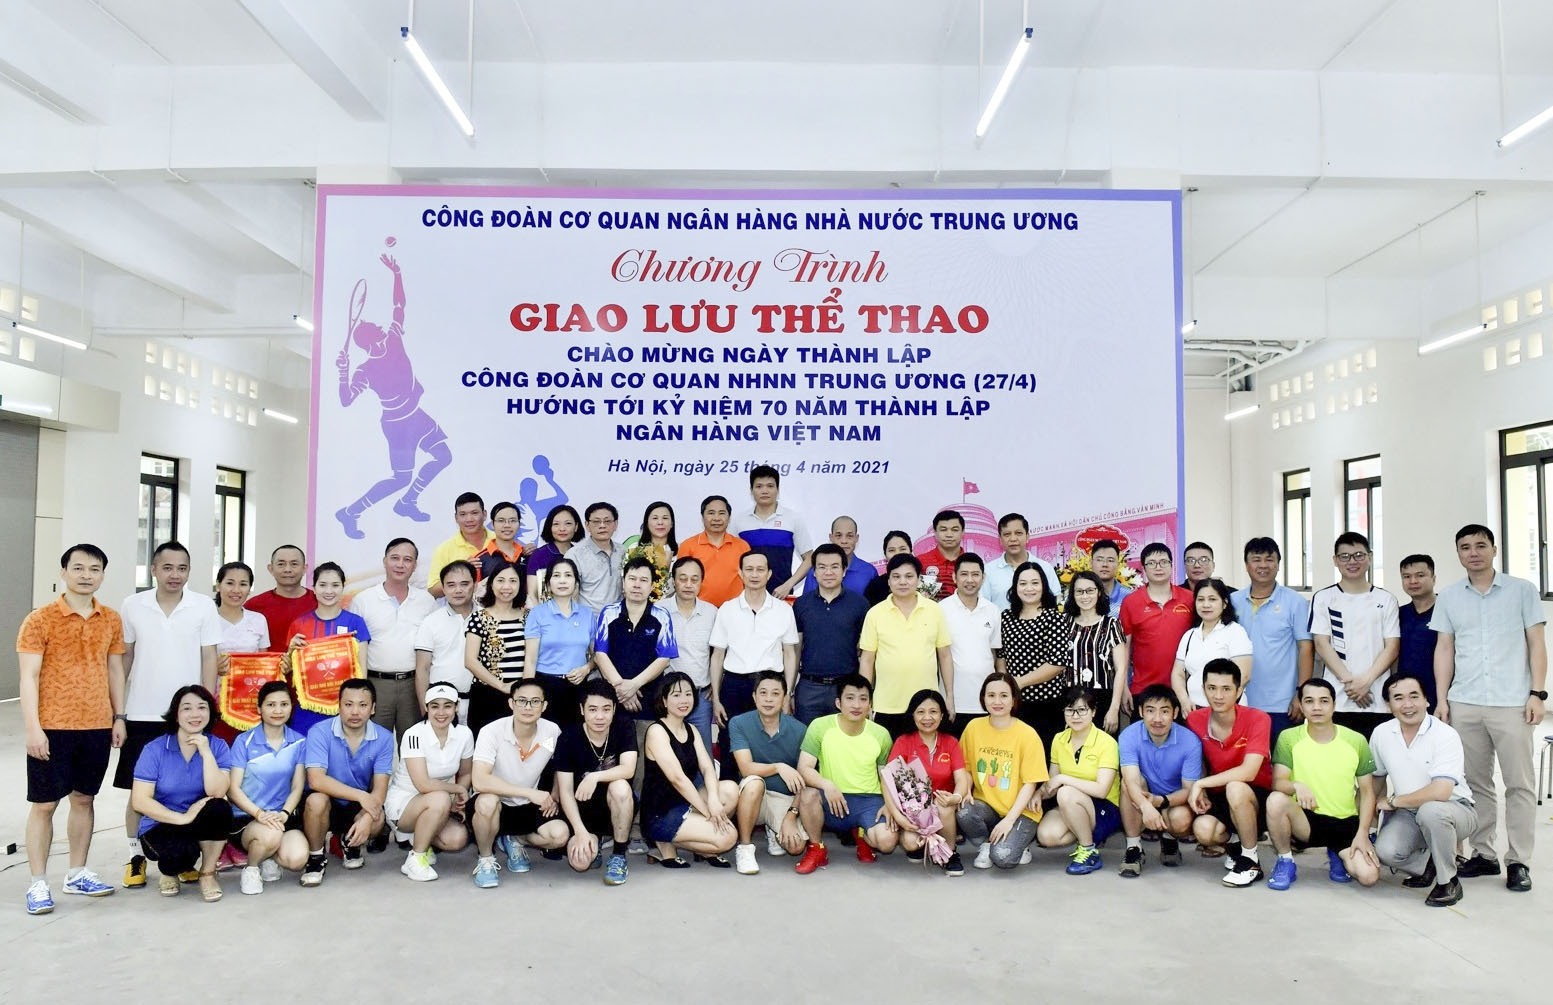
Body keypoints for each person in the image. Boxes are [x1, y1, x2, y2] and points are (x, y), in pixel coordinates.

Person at [1432, 523, 1547, 893]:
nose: (1473, 553)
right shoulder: (1450, 597)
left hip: (1512, 702)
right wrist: (1442, 699)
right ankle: (1483, 852)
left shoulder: (1522, 591)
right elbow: (1445, 649)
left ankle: (1519, 860)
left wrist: (1537, 693)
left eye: (1480, 545)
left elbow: (1537, 644)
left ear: (1494, 549)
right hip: (1465, 701)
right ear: (1458, 554)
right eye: (1465, 547)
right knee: (1475, 783)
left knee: (1519, 785)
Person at [18, 544, 125, 914]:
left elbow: (115, 670)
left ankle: (77, 873)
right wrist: (33, 729)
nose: (86, 575)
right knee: (44, 804)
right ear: (63, 572)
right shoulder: (40, 619)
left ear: (102, 575)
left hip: (96, 725)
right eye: (78, 568)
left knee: (83, 799)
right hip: (52, 726)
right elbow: (29, 677)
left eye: (94, 569)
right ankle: (37, 883)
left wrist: (119, 717)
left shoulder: (110, 619)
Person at [116, 540, 222, 890]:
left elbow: (209, 658)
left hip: (188, 715)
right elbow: (125, 658)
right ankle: (135, 855)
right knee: (137, 790)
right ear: (153, 570)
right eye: (167, 568)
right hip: (143, 712)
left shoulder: (203, 606)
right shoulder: (132, 605)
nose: (175, 574)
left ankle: (183, 854)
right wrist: (118, 712)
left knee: (191, 787)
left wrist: (206, 707)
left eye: (182, 568)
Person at [332, 251, 451, 536]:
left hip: (416, 416)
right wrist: (343, 372)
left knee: (444, 456)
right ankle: (350, 512)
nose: (381, 329)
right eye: (376, 330)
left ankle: (408, 501)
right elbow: (346, 399)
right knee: (400, 478)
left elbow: (399, 305)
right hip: (397, 427)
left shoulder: (394, 339)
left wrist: (397, 274)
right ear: (370, 338)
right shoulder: (365, 370)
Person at [1371, 673, 1476, 907]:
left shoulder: (1445, 734)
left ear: (1427, 700)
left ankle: (1448, 881)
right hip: (1409, 812)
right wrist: (1367, 827)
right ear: (1388, 705)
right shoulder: (1381, 734)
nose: (1407, 704)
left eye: (1414, 696)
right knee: (1386, 851)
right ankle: (1432, 861)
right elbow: (1375, 780)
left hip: (1454, 810)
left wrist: (1394, 801)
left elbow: (1441, 792)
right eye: (1398, 698)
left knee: (1431, 811)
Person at [1265, 678, 1381, 891]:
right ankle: (1285, 860)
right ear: (1301, 706)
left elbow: (1367, 792)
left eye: (1324, 701)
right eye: (1309, 701)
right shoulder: (1289, 738)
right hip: (1306, 821)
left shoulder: (1356, 740)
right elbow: (1278, 783)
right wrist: (1297, 786)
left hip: (1345, 822)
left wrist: (1363, 833)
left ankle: (1336, 852)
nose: (1317, 707)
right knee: (1275, 800)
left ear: (1334, 705)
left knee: (1369, 876)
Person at [130, 685, 232, 901]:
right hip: (161, 823)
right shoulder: (154, 749)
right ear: (176, 714)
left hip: (198, 820)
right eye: (187, 708)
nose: (195, 714)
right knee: (180, 855)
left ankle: (207, 873)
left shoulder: (218, 746)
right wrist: (182, 818)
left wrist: (206, 753)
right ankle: (169, 872)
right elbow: (139, 801)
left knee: (220, 808)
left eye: (202, 707)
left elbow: (217, 791)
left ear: (210, 712)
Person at [793, 675, 898, 872]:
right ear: (838, 703)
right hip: (832, 798)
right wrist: (827, 784)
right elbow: (804, 768)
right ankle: (817, 848)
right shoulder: (820, 726)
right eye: (850, 698)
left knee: (887, 842)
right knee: (808, 795)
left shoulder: (881, 734)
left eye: (863, 699)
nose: (856, 705)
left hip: (869, 801)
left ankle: (863, 835)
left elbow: (886, 775)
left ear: (870, 704)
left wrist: (889, 804)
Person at [469, 681, 568, 887]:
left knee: (560, 835)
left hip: (527, 806)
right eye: (522, 701)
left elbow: (561, 767)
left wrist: (555, 796)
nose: (528, 707)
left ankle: (515, 840)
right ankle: (486, 859)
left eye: (535, 701)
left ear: (544, 706)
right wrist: (528, 793)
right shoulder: (491, 731)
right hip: (497, 802)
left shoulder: (552, 731)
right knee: (487, 803)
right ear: (511, 703)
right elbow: (479, 780)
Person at [710, 552, 799, 779]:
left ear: (769, 574)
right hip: (735, 685)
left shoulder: (783, 610)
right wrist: (717, 699)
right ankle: (729, 793)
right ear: (740, 573)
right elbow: (718, 656)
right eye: (749, 569)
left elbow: (790, 653)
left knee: (769, 742)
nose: (754, 574)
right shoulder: (727, 609)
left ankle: (766, 795)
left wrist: (788, 693)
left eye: (760, 569)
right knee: (729, 742)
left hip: (771, 685)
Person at [1186, 659, 1275, 888]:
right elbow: (1198, 759)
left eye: (1226, 689)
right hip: (1220, 795)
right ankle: (1236, 845)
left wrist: (1201, 784)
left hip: (1256, 797)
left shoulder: (1258, 718)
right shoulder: (1195, 720)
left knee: (1236, 787)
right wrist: (1203, 788)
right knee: (1204, 831)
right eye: (1212, 688)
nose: (1218, 696)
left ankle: (1250, 860)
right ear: (1203, 689)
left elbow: (1249, 771)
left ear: (1239, 691)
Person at [640, 672, 739, 867]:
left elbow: (707, 768)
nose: (684, 700)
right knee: (728, 838)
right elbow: (677, 779)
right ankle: (663, 840)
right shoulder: (657, 731)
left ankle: (701, 846)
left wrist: (713, 799)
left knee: (730, 789)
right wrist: (709, 813)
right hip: (661, 812)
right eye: (676, 695)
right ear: (664, 700)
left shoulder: (691, 730)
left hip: (686, 803)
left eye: (688, 694)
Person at [301, 679, 393, 886]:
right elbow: (315, 780)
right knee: (316, 801)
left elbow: (380, 790)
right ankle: (316, 857)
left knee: (377, 819)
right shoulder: (319, 731)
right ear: (339, 706)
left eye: (363, 705)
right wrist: (361, 796)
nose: (355, 712)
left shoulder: (384, 738)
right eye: (348, 704)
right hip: (328, 800)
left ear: (373, 708)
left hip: (356, 805)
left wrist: (367, 819)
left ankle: (349, 842)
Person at [1310, 532, 1400, 740]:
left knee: (1375, 758)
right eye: (1345, 556)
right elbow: (1321, 644)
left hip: (1377, 699)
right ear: (1335, 560)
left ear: (1370, 557)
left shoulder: (1386, 599)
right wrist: (1351, 683)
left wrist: (1366, 681)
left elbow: (1392, 647)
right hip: (1337, 699)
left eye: (1359, 555)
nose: (1352, 561)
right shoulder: (1324, 598)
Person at [956, 673, 1048, 870]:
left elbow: (1030, 784)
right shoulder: (973, 728)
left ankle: (1017, 845)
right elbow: (967, 768)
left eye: (1004, 696)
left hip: (1021, 812)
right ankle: (986, 845)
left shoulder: (1027, 734)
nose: (997, 701)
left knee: (1003, 858)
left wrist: (1009, 820)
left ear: (1014, 699)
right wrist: (966, 790)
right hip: (987, 807)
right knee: (964, 811)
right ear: (983, 698)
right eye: (991, 695)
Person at [350, 538, 438, 740]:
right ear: (384, 561)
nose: (400, 564)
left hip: (413, 684)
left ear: (415, 566)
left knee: (414, 744)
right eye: (395, 558)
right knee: (373, 743)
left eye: (407, 560)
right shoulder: (363, 600)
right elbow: (352, 648)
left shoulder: (426, 601)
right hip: (375, 684)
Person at [382, 683, 472, 882]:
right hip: (404, 805)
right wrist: (456, 789)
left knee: (457, 839)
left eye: (447, 706)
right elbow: (423, 784)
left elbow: (466, 773)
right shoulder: (414, 734)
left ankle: (420, 838)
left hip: (438, 803)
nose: (441, 712)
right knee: (440, 798)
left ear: (457, 707)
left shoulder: (465, 734)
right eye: (435, 706)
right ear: (426, 707)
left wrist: (458, 798)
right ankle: (416, 859)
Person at [227, 681, 308, 895]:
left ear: (291, 707)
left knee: (297, 859)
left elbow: (297, 786)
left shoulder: (299, 742)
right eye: (271, 705)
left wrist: (284, 813)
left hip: (281, 817)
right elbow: (232, 789)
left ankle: (269, 857)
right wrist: (259, 814)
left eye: (284, 704)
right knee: (270, 834)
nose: (278, 710)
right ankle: (252, 869)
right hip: (247, 818)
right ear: (259, 708)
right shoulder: (243, 742)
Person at [554, 681, 638, 885]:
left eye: (606, 709)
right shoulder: (568, 737)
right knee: (580, 863)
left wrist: (594, 776)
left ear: (614, 709)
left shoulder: (624, 726)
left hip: (615, 806)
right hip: (581, 811)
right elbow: (565, 792)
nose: (600, 716)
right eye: (592, 709)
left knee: (620, 786)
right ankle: (594, 839)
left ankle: (619, 854)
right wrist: (580, 832)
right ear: (582, 710)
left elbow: (628, 769)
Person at [859, 554, 953, 737]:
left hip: (926, 707)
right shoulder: (875, 613)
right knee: (888, 756)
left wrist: (949, 696)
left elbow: (945, 656)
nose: (902, 582)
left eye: (909, 576)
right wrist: (866, 699)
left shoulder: (935, 610)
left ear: (918, 580)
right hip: (886, 705)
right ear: (888, 581)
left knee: (924, 755)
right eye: (896, 576)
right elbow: (867, 660)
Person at [1231, 537, 1313, 739]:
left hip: (1282, 705)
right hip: (1239, 702)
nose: (1263, 565)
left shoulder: (1295, 602)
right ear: (1246, 565)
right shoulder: (1232, 601)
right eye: (1256, 559)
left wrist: (1301, 693)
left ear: (1278, 564)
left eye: (1269, 559)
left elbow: (1306, 648)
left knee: (1281, 757)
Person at [1116, 685, 1202, 877]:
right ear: (1140, 712)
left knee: (1181, 820)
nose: (1157, 719)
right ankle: (1134, 847)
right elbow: (1130, 780)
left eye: (1164, 711)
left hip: (1173, 799)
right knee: (1127, 785)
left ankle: (1169, 837)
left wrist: (1160, 801)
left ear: (1175, 713)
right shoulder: (1129, 735)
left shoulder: (1190, 741)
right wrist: (1146, 806)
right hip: (1144, 794)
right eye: (1150, 711)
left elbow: (1189, 790)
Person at [1036, 686, 1122, 874]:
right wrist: (1037, 794)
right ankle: (1085, 833)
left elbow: (1102, 790)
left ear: (1093, 712)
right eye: (1070, 710)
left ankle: (1088, 850)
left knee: (1065, 792)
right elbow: (1052, 782)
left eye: (1082, 710)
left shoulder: (1106, 742)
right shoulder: (1059, 739)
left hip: (1104, 807)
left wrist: (1063, 779)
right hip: (1072, 803)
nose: (1075, 716)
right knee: (1047, 836)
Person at [884, 689, 970, 875]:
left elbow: (961, 778)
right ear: (913, 715)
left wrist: (955, 797)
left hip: (944, 809)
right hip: (914, 811)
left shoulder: (951, 742)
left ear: (942, 715)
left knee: (943, 804)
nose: (927, 717)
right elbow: (888, 780)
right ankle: (925, 845)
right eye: (921, 712)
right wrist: (897, 815)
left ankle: (950, 853)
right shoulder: (904, 741)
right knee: (910, 843)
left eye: (933, 711)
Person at [729, 672, 810, 868]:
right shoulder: (739, 723)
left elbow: (804, 780)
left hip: (783, 797)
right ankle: (745, 847)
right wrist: (779, 767)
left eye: (775, 693)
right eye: (763, 693)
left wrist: (791, 816)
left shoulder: (800, 730)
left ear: (784, 698)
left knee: (796, 847)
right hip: (752, 795)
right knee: (754, 783)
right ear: (754, 696)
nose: (768, 699)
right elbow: (746, 768)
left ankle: (773, 829)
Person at [282, 562, 372, 738]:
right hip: (308, 707)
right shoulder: (299, 624)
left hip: (345, 709)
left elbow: (362, 672)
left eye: (335, 585)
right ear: (314, 588)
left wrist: (357, 705)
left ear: (343, 588)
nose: (329, 591)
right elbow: (288, 671)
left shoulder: (356, 623)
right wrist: (290, 653)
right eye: (322, 585)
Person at [594, 557, 679, 726]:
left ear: (652, 585)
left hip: (649, 701)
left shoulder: (661, 615)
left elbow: (664, 659)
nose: (637, 585)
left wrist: (634, 685)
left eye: (644, 580)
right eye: (632, 579)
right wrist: (622, 688)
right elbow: (600, 655)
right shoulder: (608, 613)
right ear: (623, 582)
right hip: (613, 700)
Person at [793, 543, 870, 725]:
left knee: (845, 740)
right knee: (807, 740)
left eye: (834, 567)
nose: (828, 572)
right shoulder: (801, 604)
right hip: (809, 688)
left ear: (844, 571)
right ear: (814, 572)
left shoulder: (860, 604)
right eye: (822, 567)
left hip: (846, 688)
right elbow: (796, 650)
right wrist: (790, 690)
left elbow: (865, 651)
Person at [1118, 543, 1193, 722]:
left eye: (1163, 562)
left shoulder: (1189, 598)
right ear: (1143, 568)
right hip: (1143, 689)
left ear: (1172, 565)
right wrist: (1124, 688)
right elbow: (1124, 648)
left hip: (1183, 690)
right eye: (1151, 563)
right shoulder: (1131, 602)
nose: (1158, 567)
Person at [995, 561, 1070, 742]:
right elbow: (1001, 656)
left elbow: (1058, 662)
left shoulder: (1053, 618)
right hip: (1013, 703)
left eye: (1035, 583)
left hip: (1046, 703)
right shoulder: (1006, 617)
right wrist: (1007, 685)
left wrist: (1019, 682)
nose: (1029, 588)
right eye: (1023, 583)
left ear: (1044, 586)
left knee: (1043, 753)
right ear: (1015, 587)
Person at [522, 557, 594, 731]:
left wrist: (586, 668)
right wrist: (528, 696)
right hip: (546, 687)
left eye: (568, 575)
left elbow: (596, 655)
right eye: (556, 575)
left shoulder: (587, 614)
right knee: (546, 741)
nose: (562, 580)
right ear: (547, 584)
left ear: (576, 583)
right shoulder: (537, 614)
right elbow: (530, 660)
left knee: (574, 738)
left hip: (578, 687)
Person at [939, 554, 1001, 734]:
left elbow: (995, 654)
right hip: (952, 702)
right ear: (954, 577)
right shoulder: (941, 610)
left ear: (983, 577)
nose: (970, 580)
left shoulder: (993, 611)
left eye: (975, 574)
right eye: (964, 574)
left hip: (985, 702)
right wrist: (948, 697)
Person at [464, 561, 527, 736]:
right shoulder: (479, 618)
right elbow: (470, 661)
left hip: (522, 699)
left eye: (513, 581)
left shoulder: (530, 617)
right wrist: (502, 686)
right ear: (491, 584)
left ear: (520, 585)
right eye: (500, 580)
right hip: (487, 697)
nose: (506, 586)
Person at [1171, 578, 1253, 713]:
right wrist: (1184, 700)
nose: (1206, 605)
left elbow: (1243, 676)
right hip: (1194, 710)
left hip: (1228, 711)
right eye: (1200, 600)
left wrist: (1219, 705)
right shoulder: (1190, 635)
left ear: (1224, 603)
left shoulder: (1235, 632)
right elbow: (1178, 673)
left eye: (1212, 599)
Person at [732, 464, 812, 599]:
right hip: (747, 597)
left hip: (781, 596)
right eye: (759, 486)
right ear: (751, 490)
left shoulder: (793, 519)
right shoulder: (739, 521)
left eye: (770, 486)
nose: (764, 491)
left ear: (778, 489)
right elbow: (730, 559)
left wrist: (788, 585)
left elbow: (809, 558)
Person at [1064, 571, 1128, 733]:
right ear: (1073, 595)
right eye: (1079, 591)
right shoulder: (1064, 623)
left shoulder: (1112, 625)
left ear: (1099, 592)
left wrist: (1114, 708)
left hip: (1102, 698)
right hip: (1069, 699)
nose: (1085, 596)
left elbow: (1121, 669)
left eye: (1090, 590)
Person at [665, 557, 717, 753]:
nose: (688, 584)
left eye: (694, 579)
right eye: (683, 579)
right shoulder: (659, 610)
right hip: (667, 696)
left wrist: (716, 683)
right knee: (667, 753)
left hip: (701, 696)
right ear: (673, 581)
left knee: (702, 752)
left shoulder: (712, 612)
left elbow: (718, 654)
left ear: (701, 581)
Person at [415, 560, 478, 721]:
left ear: (475, 585)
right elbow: (422, 669)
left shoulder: (487, 617)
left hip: (480, 702)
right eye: (451, 585)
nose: (458, 590)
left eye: (464, 584)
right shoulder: (431, 622)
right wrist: (425, 709)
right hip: (442, 706)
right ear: (443, 588)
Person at [676, 495, 750, 607]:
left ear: (729, 517)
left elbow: (749, 580)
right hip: (699, 610)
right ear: (702, 517)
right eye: (711, 513)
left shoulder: (742, 546)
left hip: (735, 609)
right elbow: (681, 581)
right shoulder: (688, 546)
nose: (716, 518)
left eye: (721, 513)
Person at [245, 545, 314, 662]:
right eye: (281, 564)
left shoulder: (318, 602)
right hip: (268, 672)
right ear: (271, 568)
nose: (287, 569)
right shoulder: (253, 606)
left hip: (310, 671)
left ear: (305, 568)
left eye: (294, 564)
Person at [982, 513, 1060, 612]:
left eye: (1018, 533)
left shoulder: (1045, 568)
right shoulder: (988, 571)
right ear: (1000, 539)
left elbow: (1056, 601)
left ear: (1027, 536)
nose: (1013, 539)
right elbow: (983, 606)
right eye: (1007, 534)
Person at [428, 492, 493, 598]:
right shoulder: (444, 549)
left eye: (474, 513)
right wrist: (459, 572)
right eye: (463, 514)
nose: (469, 519)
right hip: (462, 607)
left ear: (484, 514)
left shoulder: (500, 541)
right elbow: (433, 590)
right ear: (456, 518)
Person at [1397, 554, 1439, 711]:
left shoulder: (1447, 610)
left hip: (1441, 695)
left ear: (1433, 579)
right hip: (1407, 697)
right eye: (1406, 576)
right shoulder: (1398, 614)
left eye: (1420, 575)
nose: (1413, 581)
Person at [799, 516, 876, 596]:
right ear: (831, 538)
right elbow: (807, 602)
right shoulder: (815, 571)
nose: (844, 541)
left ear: (856, 538)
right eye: (838, 535)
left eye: (849, 536)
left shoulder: (869, 571)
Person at [574, 502, 626, 611]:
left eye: (607, 521)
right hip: (588, 617)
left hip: (618, 616)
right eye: (596, 521)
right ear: (587, 525)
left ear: (615, 524)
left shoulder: (623, 552)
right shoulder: (575, 554)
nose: (602, 525)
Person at [526, 504, 583, 603]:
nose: (562, 529)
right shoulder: (539, 555)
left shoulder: (581, 554)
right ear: (550, 527)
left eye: (568, 523)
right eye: (556, 524)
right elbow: (532, 594)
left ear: (576, 527)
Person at [624, 500, 678, 601]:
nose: (660, 522)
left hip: (667, 606)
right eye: (655, 518)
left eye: (665, 518)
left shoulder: (679, 552)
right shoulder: (634, 549)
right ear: (647, 523)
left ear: (671, 523)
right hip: (636, 604)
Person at [475, 502, 527, 599]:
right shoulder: (479, 560)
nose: (507, 525)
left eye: (512, 520)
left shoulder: (528, 555)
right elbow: (475, 596)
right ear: (492, 524)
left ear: (519, 524)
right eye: (501, 521)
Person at [915, 509, 966, 601]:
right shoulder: (920, 561)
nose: (949, 535)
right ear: (935, 532)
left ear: (963, 532)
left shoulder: (971, 563)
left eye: (955, 530)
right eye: (943, 530)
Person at [863, 530, 913, 607]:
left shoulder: (924, 582)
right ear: (885, 555)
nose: (897, 554)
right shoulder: (875, 586)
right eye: (892, 550)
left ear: (910, 551)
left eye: (902, 549)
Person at [1090, 539, 1132, 611]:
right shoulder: (1081, 595)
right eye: (1099, 560)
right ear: (1091, 563)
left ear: (1118, 564)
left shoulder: (1129, 595)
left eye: (1110, 560)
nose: (1105, 564)